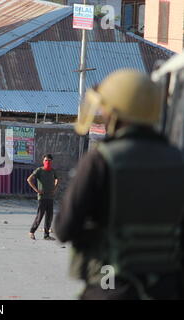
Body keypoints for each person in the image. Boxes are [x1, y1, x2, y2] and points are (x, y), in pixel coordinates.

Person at [55, 69, 184, 300]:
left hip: (110, 284)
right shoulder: (178, 160)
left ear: (115, 112)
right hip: (166, 288)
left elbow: (65, 228)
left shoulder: (101, 160)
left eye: (104, 108)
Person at [27, 154, 59, 240]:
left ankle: (46, 235)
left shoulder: (52, 171)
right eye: (46, 160)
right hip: (42, 197)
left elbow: (57, 179)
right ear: (43, 161)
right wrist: (37, 190)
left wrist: (55, 189)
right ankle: (31, 232)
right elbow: (29, 179)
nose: (47, 162)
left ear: (52, 162)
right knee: (40, 215)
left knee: (49, 216)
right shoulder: (39, 170)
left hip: (50, 197)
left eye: (49, 161)